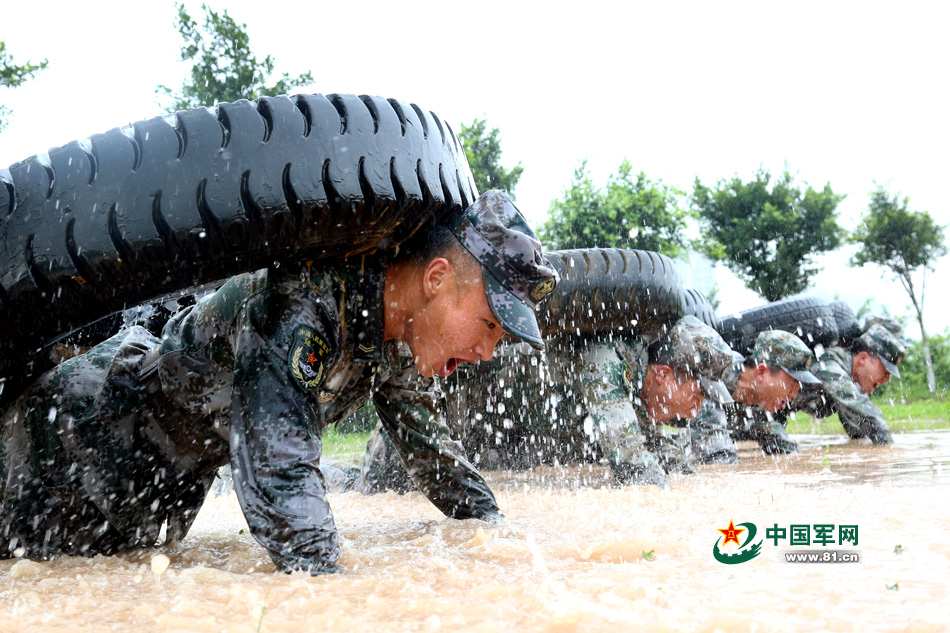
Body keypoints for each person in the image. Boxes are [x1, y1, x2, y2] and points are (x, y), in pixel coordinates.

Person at [0, 190, 559, 574]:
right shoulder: (306, 300)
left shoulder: (397, 345)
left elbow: (433, 455)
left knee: (90, 587)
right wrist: (328, 597)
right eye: (489, 324)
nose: (486, 351)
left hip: (171, 481)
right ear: (437, 279)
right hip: (80, 430)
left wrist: (496, 535)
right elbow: (280, 468)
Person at [361, 315, 736, 490]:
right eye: (699, 393)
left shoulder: (638, 386)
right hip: (430, 413)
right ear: (664, 375)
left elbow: (661, 452)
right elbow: (635, 467)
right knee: (372, 491)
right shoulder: (609, 360)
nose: (699, 408)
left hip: (483, 440)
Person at [690, 330, 821, 459]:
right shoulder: (715, 377)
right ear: (761, 372)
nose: (794, 394)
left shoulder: (755, 398)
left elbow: (784, 447)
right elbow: (719, 460)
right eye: (793, 384)